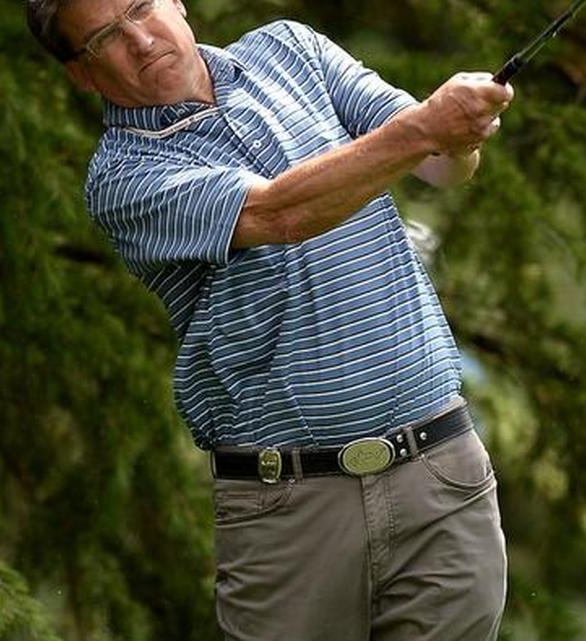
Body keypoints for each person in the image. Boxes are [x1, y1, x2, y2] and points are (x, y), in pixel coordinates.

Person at [27, 0, 515, 638]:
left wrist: (462, 132)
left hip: (438, 473)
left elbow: (438, 164)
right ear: (81, 75)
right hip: (289, 511)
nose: (142, 40)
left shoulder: (292, 49)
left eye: (142, 7)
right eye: (106, 39)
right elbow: (279, 215)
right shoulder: (123, 178)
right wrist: (429, 128)